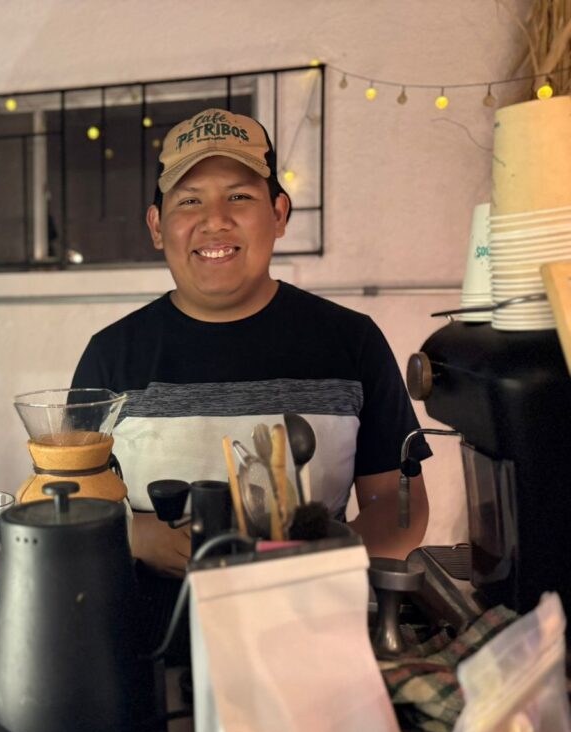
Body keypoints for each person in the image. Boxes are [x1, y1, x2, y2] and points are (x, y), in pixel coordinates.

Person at [71, 108, 430, 580]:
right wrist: (134, 534)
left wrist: (320, 564)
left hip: (309, 613)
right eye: (190, 200)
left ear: (278, 214)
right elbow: (67, 501)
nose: (215, 221)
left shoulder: (352, 342)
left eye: (238, 196)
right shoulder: (110, 356)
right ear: (157, 226)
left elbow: (400, 507)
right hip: (145, 621)